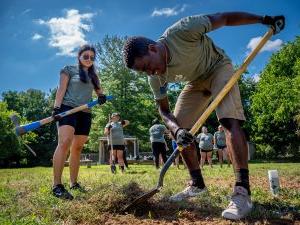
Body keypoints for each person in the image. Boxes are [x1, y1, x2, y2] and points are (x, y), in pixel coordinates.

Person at [123, 12, 284, 219]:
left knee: (228, 120)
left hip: (218, 67)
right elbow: (164, 111)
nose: (150, 73)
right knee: (178, 128)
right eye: (143, 72)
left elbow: (225, 18)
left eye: (147, 67)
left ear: (153, 48)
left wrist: (264, 20)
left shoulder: (183, 30)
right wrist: (178, 130)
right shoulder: (155, 79)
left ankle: (242, 191)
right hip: (196, 82)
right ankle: (197, 184)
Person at [51, 44, 107, 200]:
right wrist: (56, 108)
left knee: (78, 147)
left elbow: (99, 91)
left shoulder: (94, 75)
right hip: (67, 108)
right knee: (65, 142)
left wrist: (101, 96)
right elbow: (61, 89)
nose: (89, 59)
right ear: (79, 56)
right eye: (86, 56)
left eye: (92, 57)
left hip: (85, 112)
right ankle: (56, 185)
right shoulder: (68, 69)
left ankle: (74, 183)